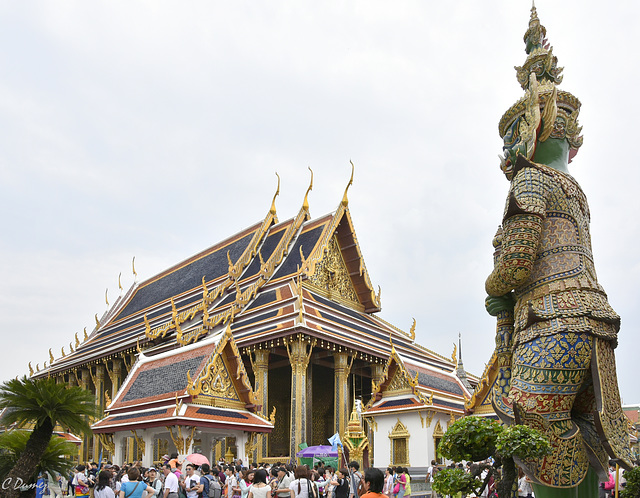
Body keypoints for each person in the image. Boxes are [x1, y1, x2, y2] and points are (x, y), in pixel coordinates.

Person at [485, 6, 632, 493]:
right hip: (594, 326)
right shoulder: (575, 192)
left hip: (552, 321)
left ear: (528, 131)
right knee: (585, 433)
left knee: (534, 423)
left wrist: (493, 286)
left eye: (508, 142)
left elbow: (518, 260)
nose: (505, 155)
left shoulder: (530, 181)